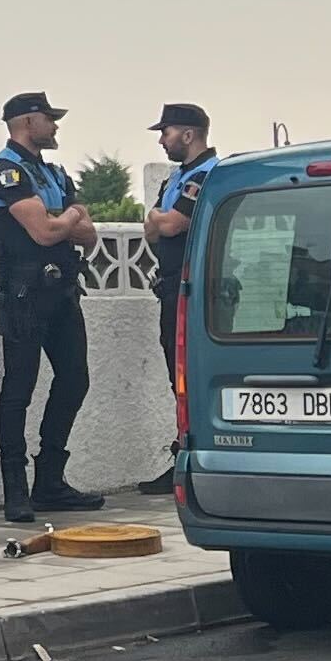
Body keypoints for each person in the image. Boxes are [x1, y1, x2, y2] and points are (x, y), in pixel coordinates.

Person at [0, 91, 96, 522]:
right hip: (24, 296)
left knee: (75, 379)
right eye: (49, 118)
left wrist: (63, 222)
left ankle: (51, 479)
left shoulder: (53, 174)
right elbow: (45, 233)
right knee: (19, 389)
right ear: (29, 122)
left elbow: (89, 236)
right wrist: (70, 218)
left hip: (62, 292)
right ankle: (16, 488)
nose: (55, 125)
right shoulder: (6, 171)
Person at [137, 103, 223, 496]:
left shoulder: (208, 174)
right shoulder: (178, 177)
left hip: (197, 290)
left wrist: (160, 218)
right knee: (178, 376)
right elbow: (150, 230)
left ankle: (194, 457)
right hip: (172, 288)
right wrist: (159, 219)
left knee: (191, 376)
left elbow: (170, 223)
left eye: (166, 132)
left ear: (188, 135)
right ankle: (183, 455)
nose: (161, 140)